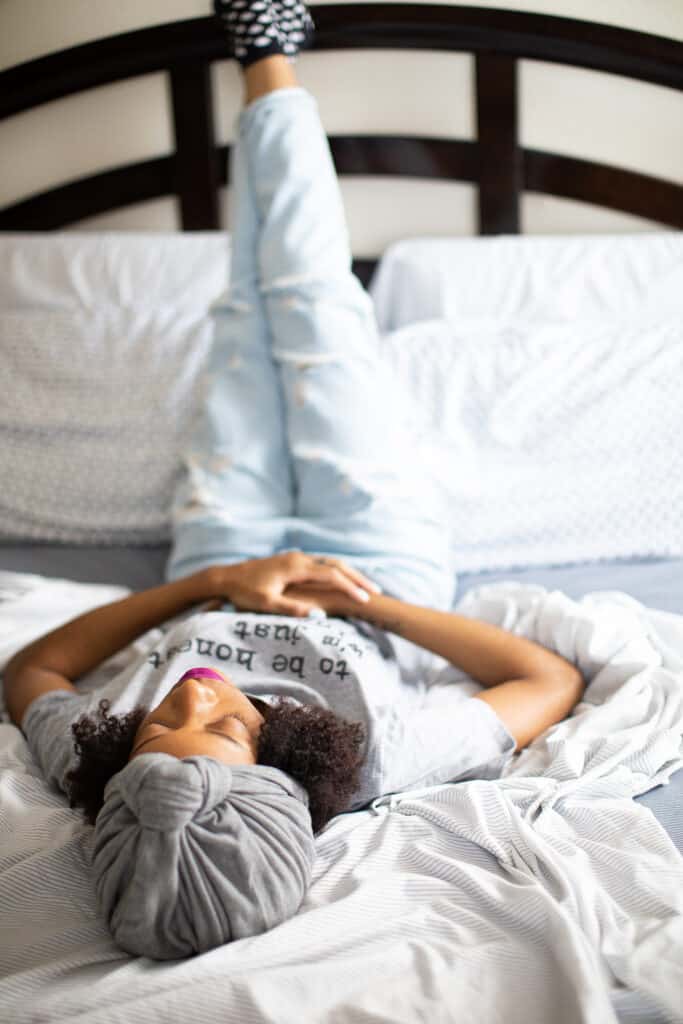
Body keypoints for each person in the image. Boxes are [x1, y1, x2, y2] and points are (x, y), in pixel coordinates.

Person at [2, 0, 584, 961]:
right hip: (374, 554)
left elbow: (31, 674)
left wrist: (211, 587)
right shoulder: (366, 761)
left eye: (157, 734)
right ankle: (272, 63)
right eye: (224, 731)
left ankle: (264, 75)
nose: (193, 695)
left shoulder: (100, 772)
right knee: (311, 310)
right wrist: (373, 602)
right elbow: (544, 678)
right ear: (281, 774)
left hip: (221, 548)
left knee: (242, 317)